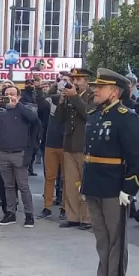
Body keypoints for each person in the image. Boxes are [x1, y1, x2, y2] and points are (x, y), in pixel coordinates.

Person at [80, 68, 139, 276]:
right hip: (95, 182)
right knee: (100, 234)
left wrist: (129, 188)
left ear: (115, 92)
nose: (95, 90)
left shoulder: (126, 117)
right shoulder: (96, 115)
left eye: (100, 87)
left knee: (116, 235)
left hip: (114, 184)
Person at [0, 84, 39, 227]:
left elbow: (34, 119)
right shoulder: (0, 112)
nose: (10, 96)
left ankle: (29, 215)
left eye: (13, 94)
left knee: (23, 186)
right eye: (7, 94)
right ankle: (10, 213)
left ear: (19, 96)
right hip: (3, 153)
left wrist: (18, 105)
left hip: (20, 153)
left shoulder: (26, 108)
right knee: (8, 186)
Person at [57, 69, 93, 230]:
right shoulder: (70, 96)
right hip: (69, 143)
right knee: (70, 183)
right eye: (74, 79)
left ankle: (86, 218)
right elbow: (58, 119)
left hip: (84, 145)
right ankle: (73, 216)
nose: (75, 82)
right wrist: (61, 101)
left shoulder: (92, 95)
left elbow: (89, 114)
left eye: (79, 79)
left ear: (87, 81)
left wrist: (74, 97)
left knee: (85, 183)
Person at [40, 79, 65, 220]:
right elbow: (41, 104)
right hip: (51, 143)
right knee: (50, 177)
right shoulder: (51, 100)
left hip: (67, 144)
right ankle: (47, 207)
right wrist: (39, 90)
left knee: (67, 179)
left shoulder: (73, 101)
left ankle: (64, 208)